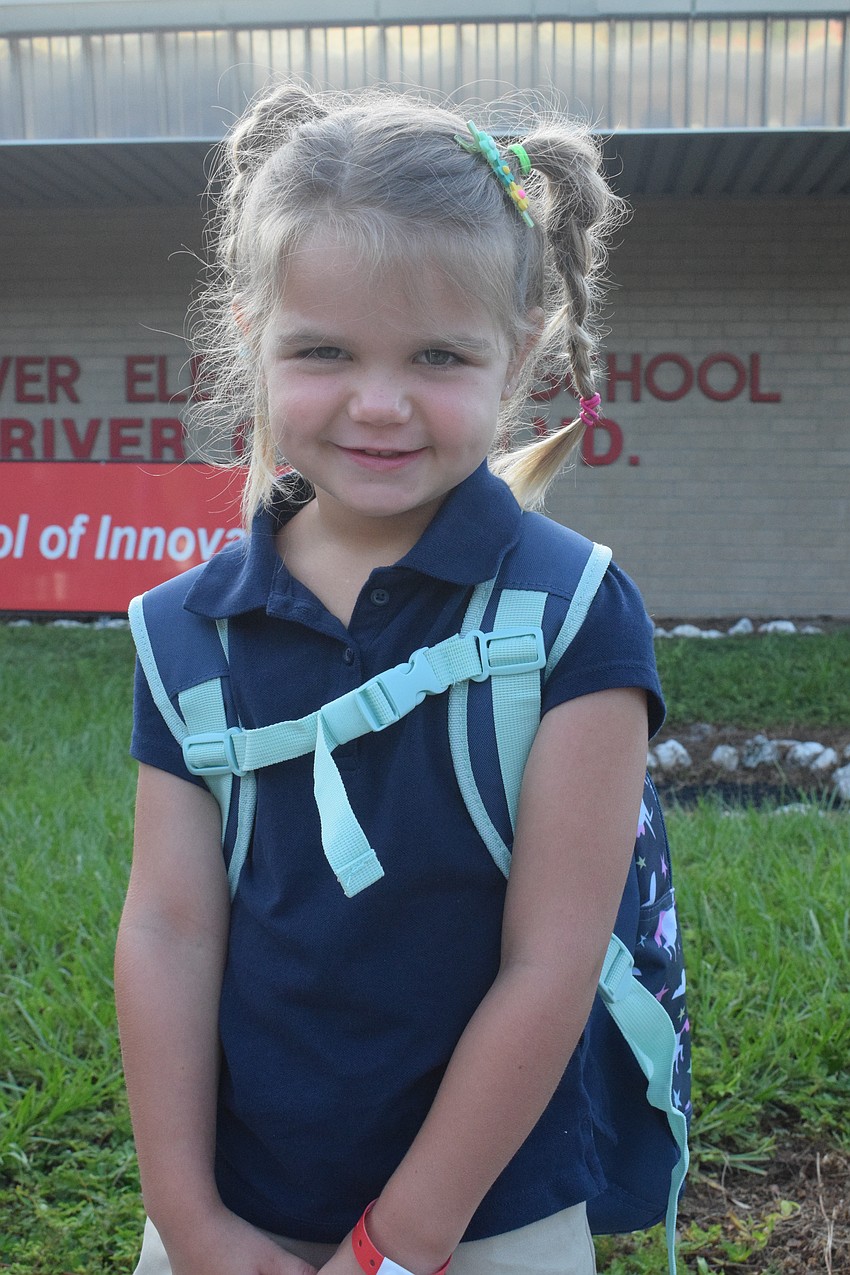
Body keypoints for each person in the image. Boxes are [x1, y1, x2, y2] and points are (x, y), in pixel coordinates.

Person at [115, 82, 665, 1275]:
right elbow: (165, 929)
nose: (378, 402)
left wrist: (399, 1244)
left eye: (436, 354)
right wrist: (191, 1221)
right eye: (322, 350)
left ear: (519, 354)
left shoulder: (569, 611)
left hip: (492, 1215)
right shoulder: (181, 633)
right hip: (236, 1213)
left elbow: (552, 958)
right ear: (249, 339)